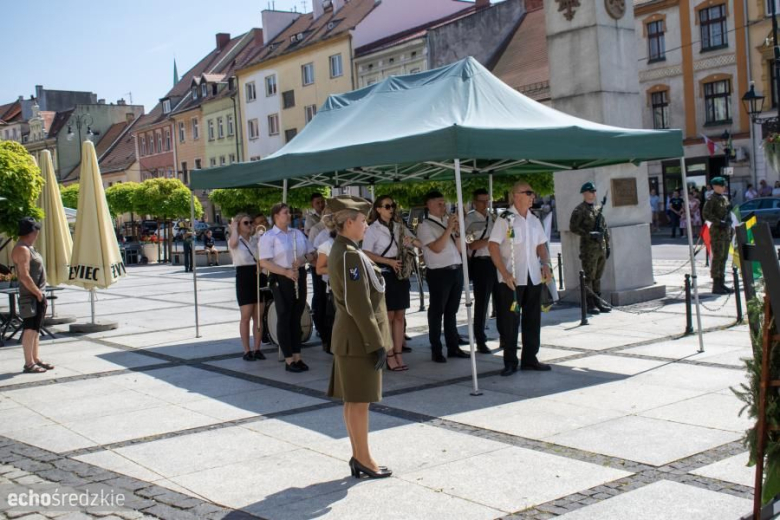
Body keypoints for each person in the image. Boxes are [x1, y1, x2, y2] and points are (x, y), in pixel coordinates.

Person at [326, 195, 392, 480]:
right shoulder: (350, 254)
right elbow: (358, 304)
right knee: (359, 403)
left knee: (353, 402)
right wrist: (376, 342)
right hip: (359, 339)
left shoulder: (346, 250)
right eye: (363, 221)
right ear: (349, 222)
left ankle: (359, 456)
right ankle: (364, 459)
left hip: (351, 338)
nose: (367, 225)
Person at [488, 182, 552, 376]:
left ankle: (530, 358)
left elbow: (541, 245)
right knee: (510, 321)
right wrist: (504, 273)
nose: (533, 196)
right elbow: (493, 246)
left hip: (532, 277)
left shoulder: (533, 219)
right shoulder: (505, 219)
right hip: (512, 280)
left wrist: (546, 263)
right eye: (528, 193)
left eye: (533, 193)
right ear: (516, 195)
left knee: (532, 320)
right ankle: (510, 361)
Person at [363, 196, 422, 371]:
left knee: (400, 316)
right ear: (378, 209)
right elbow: (365, 252)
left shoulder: (399, 226)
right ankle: (389, 355)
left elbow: (419, 243)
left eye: (393, 206)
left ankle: (398, 353)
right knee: (388, 316)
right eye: (387, 206)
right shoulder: (372, 229)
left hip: (400, 270)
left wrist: (410, 242)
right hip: (384, 271)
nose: (391, 209)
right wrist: (388, 262)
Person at [259, 203, 316, 372]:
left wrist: (303, 259)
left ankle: (298, 356)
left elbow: (313, 253)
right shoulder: (269, 236)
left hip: (298, 275)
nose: (289, 215)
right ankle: (289, 359)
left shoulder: (296, 233)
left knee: (297, 316)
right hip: (281, 278)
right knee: (284, 316)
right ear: (276, 216)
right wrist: (285, 272)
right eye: (285, 213)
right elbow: (264, 262)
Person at [416, 190, 469, 363]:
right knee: (437, 311)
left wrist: (458, 231)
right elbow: (437, 248)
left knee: (451, 311)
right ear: (428, 205)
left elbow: (460, 250)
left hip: (455, 269)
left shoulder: (446, 222)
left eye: (443, 203)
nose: (442, 206)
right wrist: (448, 229)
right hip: (439, 272)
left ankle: (453, 347)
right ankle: (436, 349)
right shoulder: (425, 226)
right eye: (438, 203)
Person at [13, 218, 53, 374]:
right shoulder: (22, 249)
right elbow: (24, 275)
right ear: (31, 232)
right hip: (30, 296)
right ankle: (28, 363)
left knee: (36, 329)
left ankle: (35, 358)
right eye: (36, 231)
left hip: (36, 294)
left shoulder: (29, 247)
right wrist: (37, 293)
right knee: (29, 329)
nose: (37, 234)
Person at [569, 182, 611, 315]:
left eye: (594, 192)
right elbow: (573, 228)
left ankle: (598, 300)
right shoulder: (579, 210)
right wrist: (589, 234)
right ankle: (590, 303)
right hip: (588, 250)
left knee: (598, 276)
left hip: (600, 248)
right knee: (588, 277)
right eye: (591, 192)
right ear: (584, 193)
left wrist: (607, 245)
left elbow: (604, 229)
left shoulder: (598, 210)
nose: (593, 194)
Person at [228, 213, 265, 361]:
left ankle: (257, 348)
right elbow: (233, 244)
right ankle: (246, 350)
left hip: (258, 274)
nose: (249, 225)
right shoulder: (235, 239)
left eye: (251, 222)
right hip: (244, 275)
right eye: (246, 223)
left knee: (259, 315)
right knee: (246, 315)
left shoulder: (256, 239)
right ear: (238, 224)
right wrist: (234, 229)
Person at [465, 189, 496, 354]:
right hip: (481, 262)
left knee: (502, 301)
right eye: (482, 201)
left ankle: (506, 337)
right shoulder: (469, 219)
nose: (485, 205)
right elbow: (471, 244)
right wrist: (490, 240)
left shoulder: (493, 217)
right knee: (482, 302)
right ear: (475, 202)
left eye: (487, 201)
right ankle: (480, 339)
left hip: (496, 261)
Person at [702, 177, 734, 294]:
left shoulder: (724, 198)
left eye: (724, 186)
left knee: (724, 258)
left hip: (725, 232)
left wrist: (729, 220)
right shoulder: (711, 199)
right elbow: (706, 214)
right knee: (717, 258)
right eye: (722, 186)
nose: (724, 188)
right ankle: (716, 285)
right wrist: (719, 222)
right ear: (715, 186)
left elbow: (727, 213)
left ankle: (722, 283)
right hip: (717, 233)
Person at [305, 193, 328, 346]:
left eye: (322, 202)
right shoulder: (312, 222)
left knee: (328, 297)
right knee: (320, 295)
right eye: (318, 203)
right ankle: (319, 324)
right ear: (313, 204)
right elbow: (311, 247)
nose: (321, 205)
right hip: (317, 265)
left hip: (330, 267)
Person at [315, 210, 336, 354]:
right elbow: (319, 267)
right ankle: (329, 342)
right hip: (331, 282)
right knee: (331, 314)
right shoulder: (323, 238)